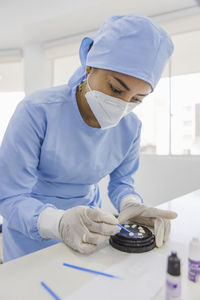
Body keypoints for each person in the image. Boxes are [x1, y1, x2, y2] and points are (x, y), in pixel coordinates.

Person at [0, 14, 177, 262]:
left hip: (90, 232)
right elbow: (10, 196)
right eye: (116, 88)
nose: (122, 105)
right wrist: (58, 222)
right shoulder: (37, 110)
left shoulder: (131, 127)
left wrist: (130, 204)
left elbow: (122, 181)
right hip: (29, 235)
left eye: (137, 99)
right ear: (90, 66)